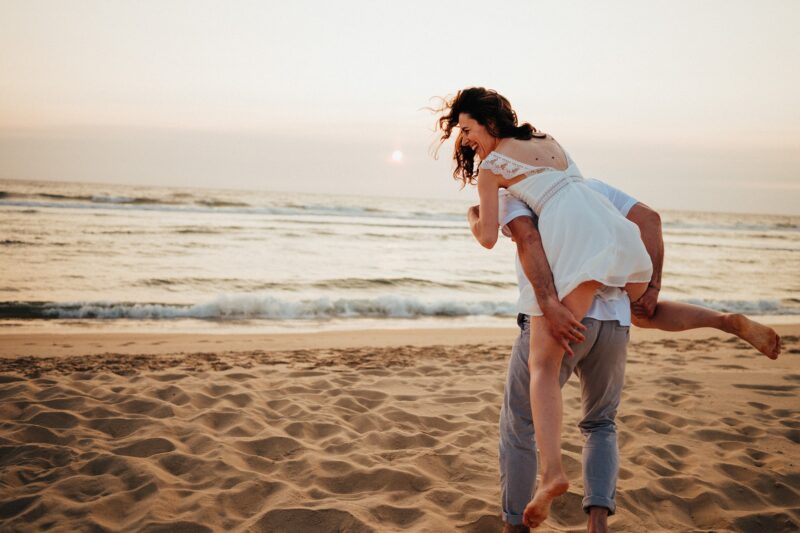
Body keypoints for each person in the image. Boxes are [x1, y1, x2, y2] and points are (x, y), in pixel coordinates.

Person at [435, 87, 782, 528]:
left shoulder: (493, 168)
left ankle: (552, 474)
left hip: (574, 241)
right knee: (644, 313)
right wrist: (653, 283)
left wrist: (471, 215)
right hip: (611, 231)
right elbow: (647, 217)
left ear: (490, 123)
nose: (464, 139)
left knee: (543, 366)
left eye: (466, 129)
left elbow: (496, 236)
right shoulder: (550, 143)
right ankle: (723, 320)